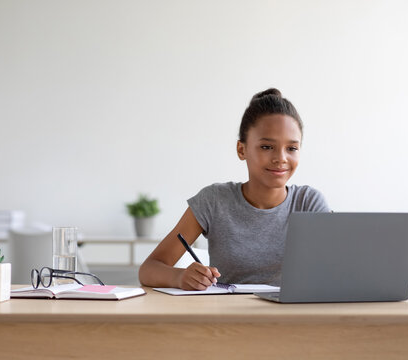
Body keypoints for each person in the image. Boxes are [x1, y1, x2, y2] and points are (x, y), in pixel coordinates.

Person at [138, 88, 329, 289]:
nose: (281, 158)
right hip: (225, 317)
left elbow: (334, 270)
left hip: (291, 318)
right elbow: (149, 269)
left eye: (291, 148)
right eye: (266, 147)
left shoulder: (309, 203)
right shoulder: (214, 201)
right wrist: (179, 277)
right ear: (241, 149)